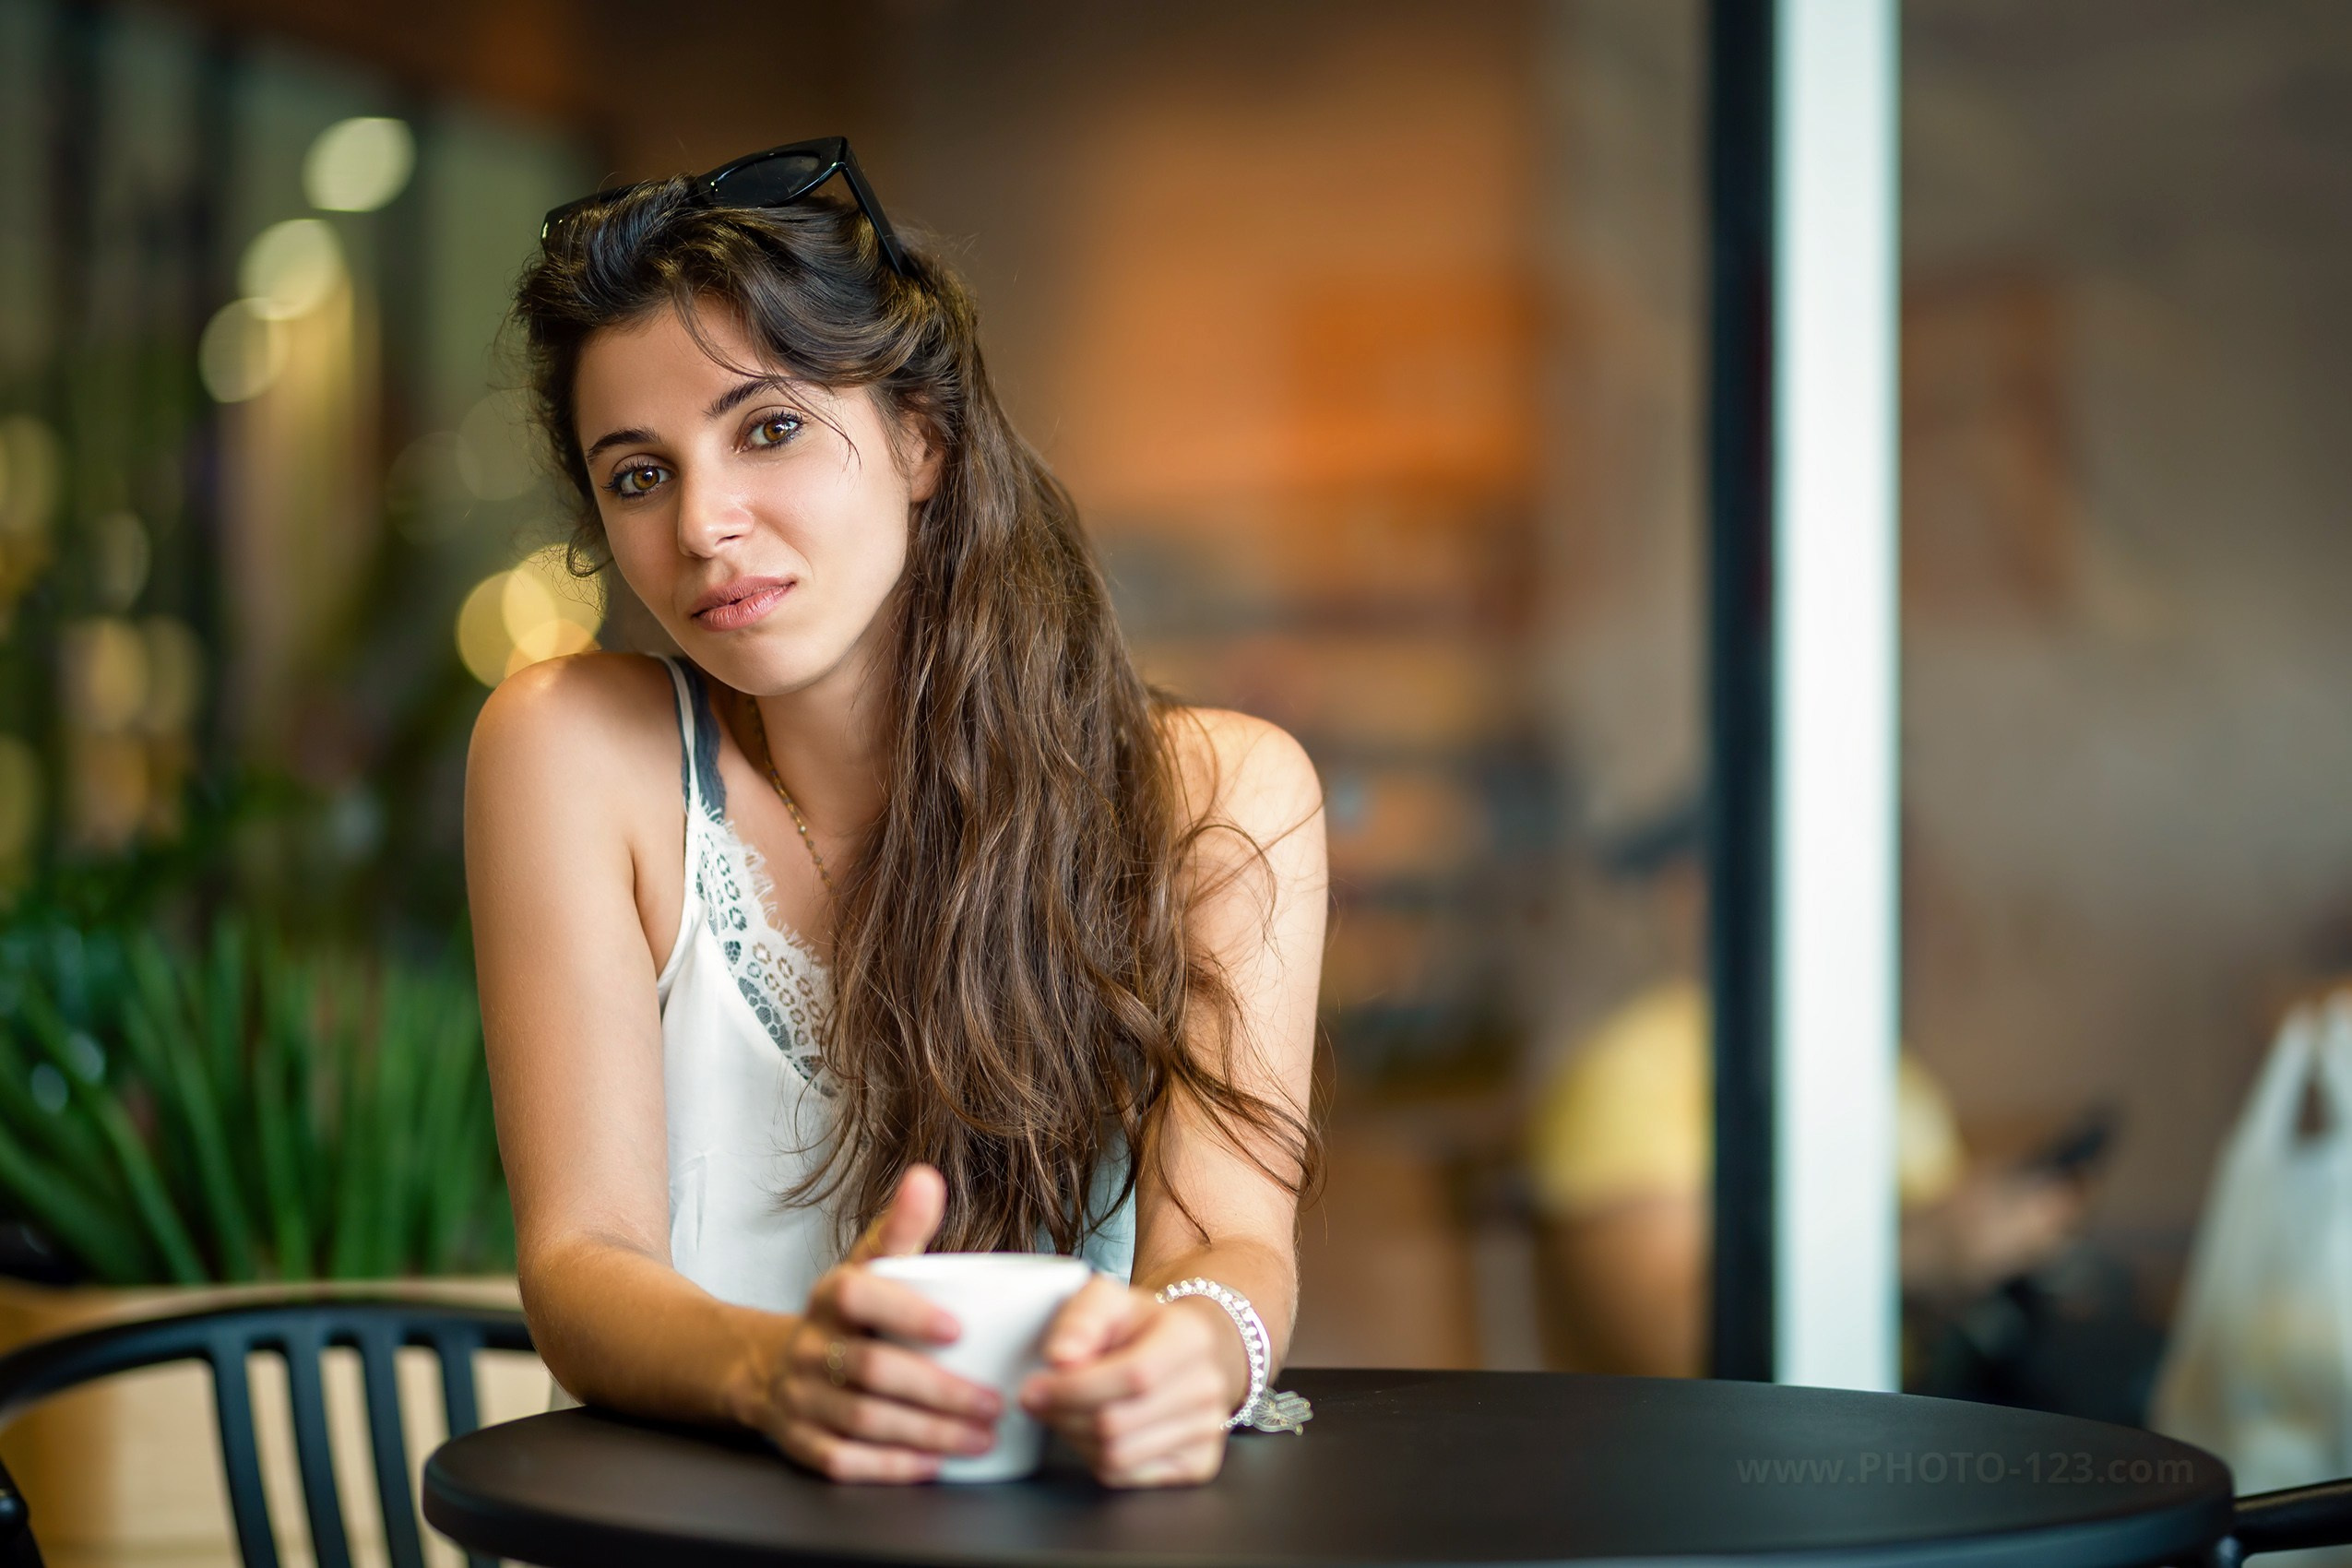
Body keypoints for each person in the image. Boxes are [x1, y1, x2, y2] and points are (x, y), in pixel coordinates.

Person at [463, 139, 1326, 1488]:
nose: (703, 526)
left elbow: (1231, 1247)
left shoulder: (1218, 799)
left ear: (920, 438)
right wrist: (772, 1370)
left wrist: (1191, 1354)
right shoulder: (575, 749)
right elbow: (581, 1265)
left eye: (768, 427)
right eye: (638, 474)